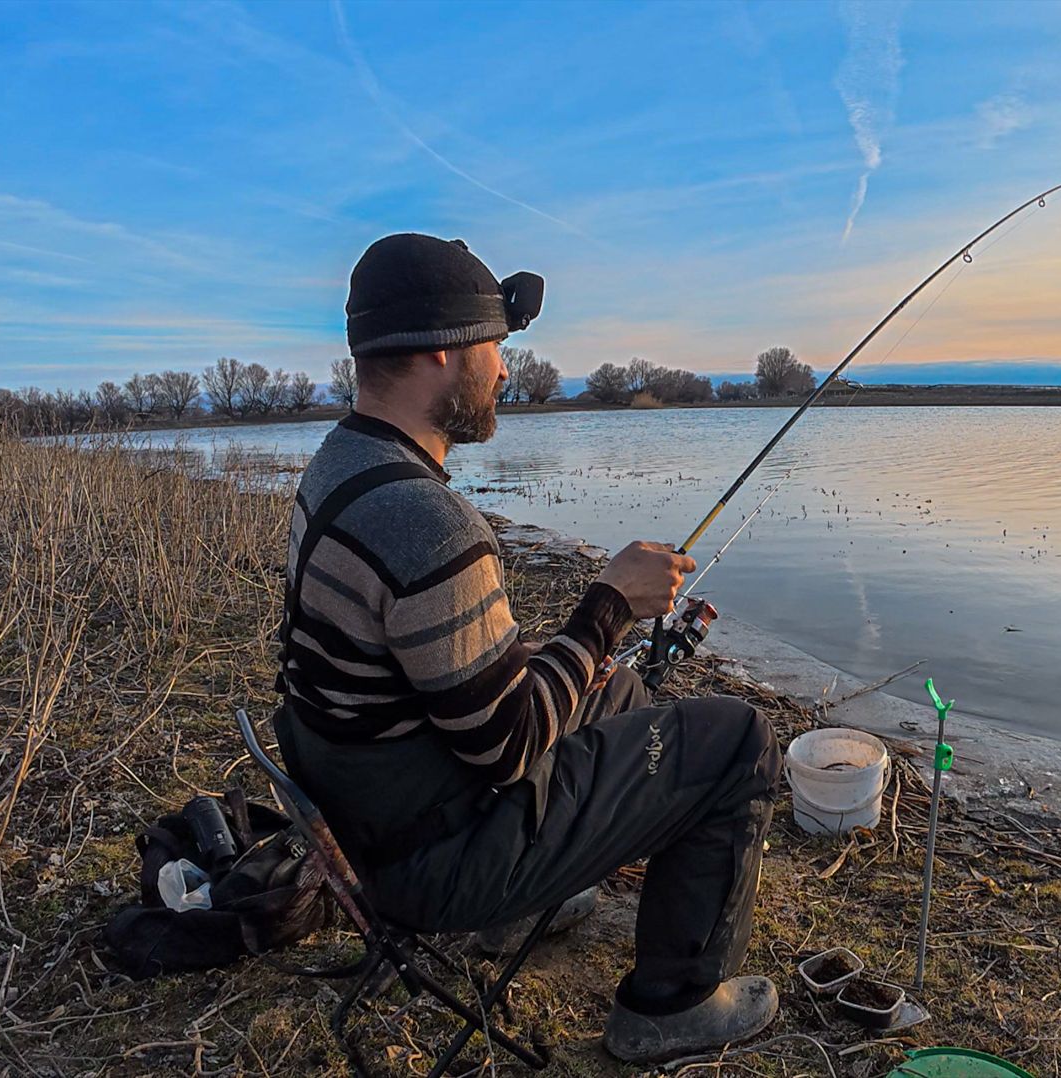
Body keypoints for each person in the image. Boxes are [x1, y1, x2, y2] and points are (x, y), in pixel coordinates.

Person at [271, 233, 782, 1062]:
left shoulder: (339, 466)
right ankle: (670, 1004)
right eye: (496, 347)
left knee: (611, 692)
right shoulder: (428, 524)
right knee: (740, 742)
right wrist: (609, 604)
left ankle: (545, 892)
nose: (505, 369)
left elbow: (451, 688)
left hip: (372, 815)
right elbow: (507, 747)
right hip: (432, 857)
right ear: (442, 348)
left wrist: (587, 650)